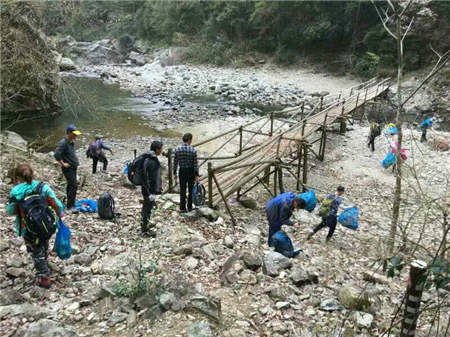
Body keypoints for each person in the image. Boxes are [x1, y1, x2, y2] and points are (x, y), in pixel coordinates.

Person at [6, 164, 64, 288]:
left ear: (17, 177)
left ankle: (44, 277)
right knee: (44, 243)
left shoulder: (16, 191)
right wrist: (60, 213)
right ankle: (44, 261)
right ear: (33, 174)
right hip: (46, 224)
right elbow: (56, 203)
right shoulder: (42, 187)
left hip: (28, 227)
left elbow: (11, 211)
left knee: (35, 250)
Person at [54, 124, 80, 209]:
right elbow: (57, 154)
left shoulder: (71, 142)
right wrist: (63, 163)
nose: (76, 135)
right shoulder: (63, 142)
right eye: (74, 134)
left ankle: (70, 203)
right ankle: (70, 205)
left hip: (73, 167)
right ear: (69, 133)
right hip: (68, 168)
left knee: (71, 185)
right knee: (74, 185)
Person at [141, 140, 163, 237]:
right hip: (149, 189)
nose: (161, 151)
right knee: (147, 207)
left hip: (145, 187)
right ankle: (145, 229)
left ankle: (144, 224)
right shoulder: (153, 161)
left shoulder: (146, 158)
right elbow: (153, 178)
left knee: (146, 206)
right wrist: (152, 192)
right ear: (157, 149)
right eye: (161, 148)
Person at [173, 133, 199, 213]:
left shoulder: (177, 149)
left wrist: (174, 173)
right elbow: (195, 164)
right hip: (190, 171)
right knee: (191, 189)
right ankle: (190, 206)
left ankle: (182, 207)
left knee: (183, 189)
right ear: (189, 140)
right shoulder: (193, 150)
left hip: (182, 171)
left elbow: (175, 163)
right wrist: (196, 175)